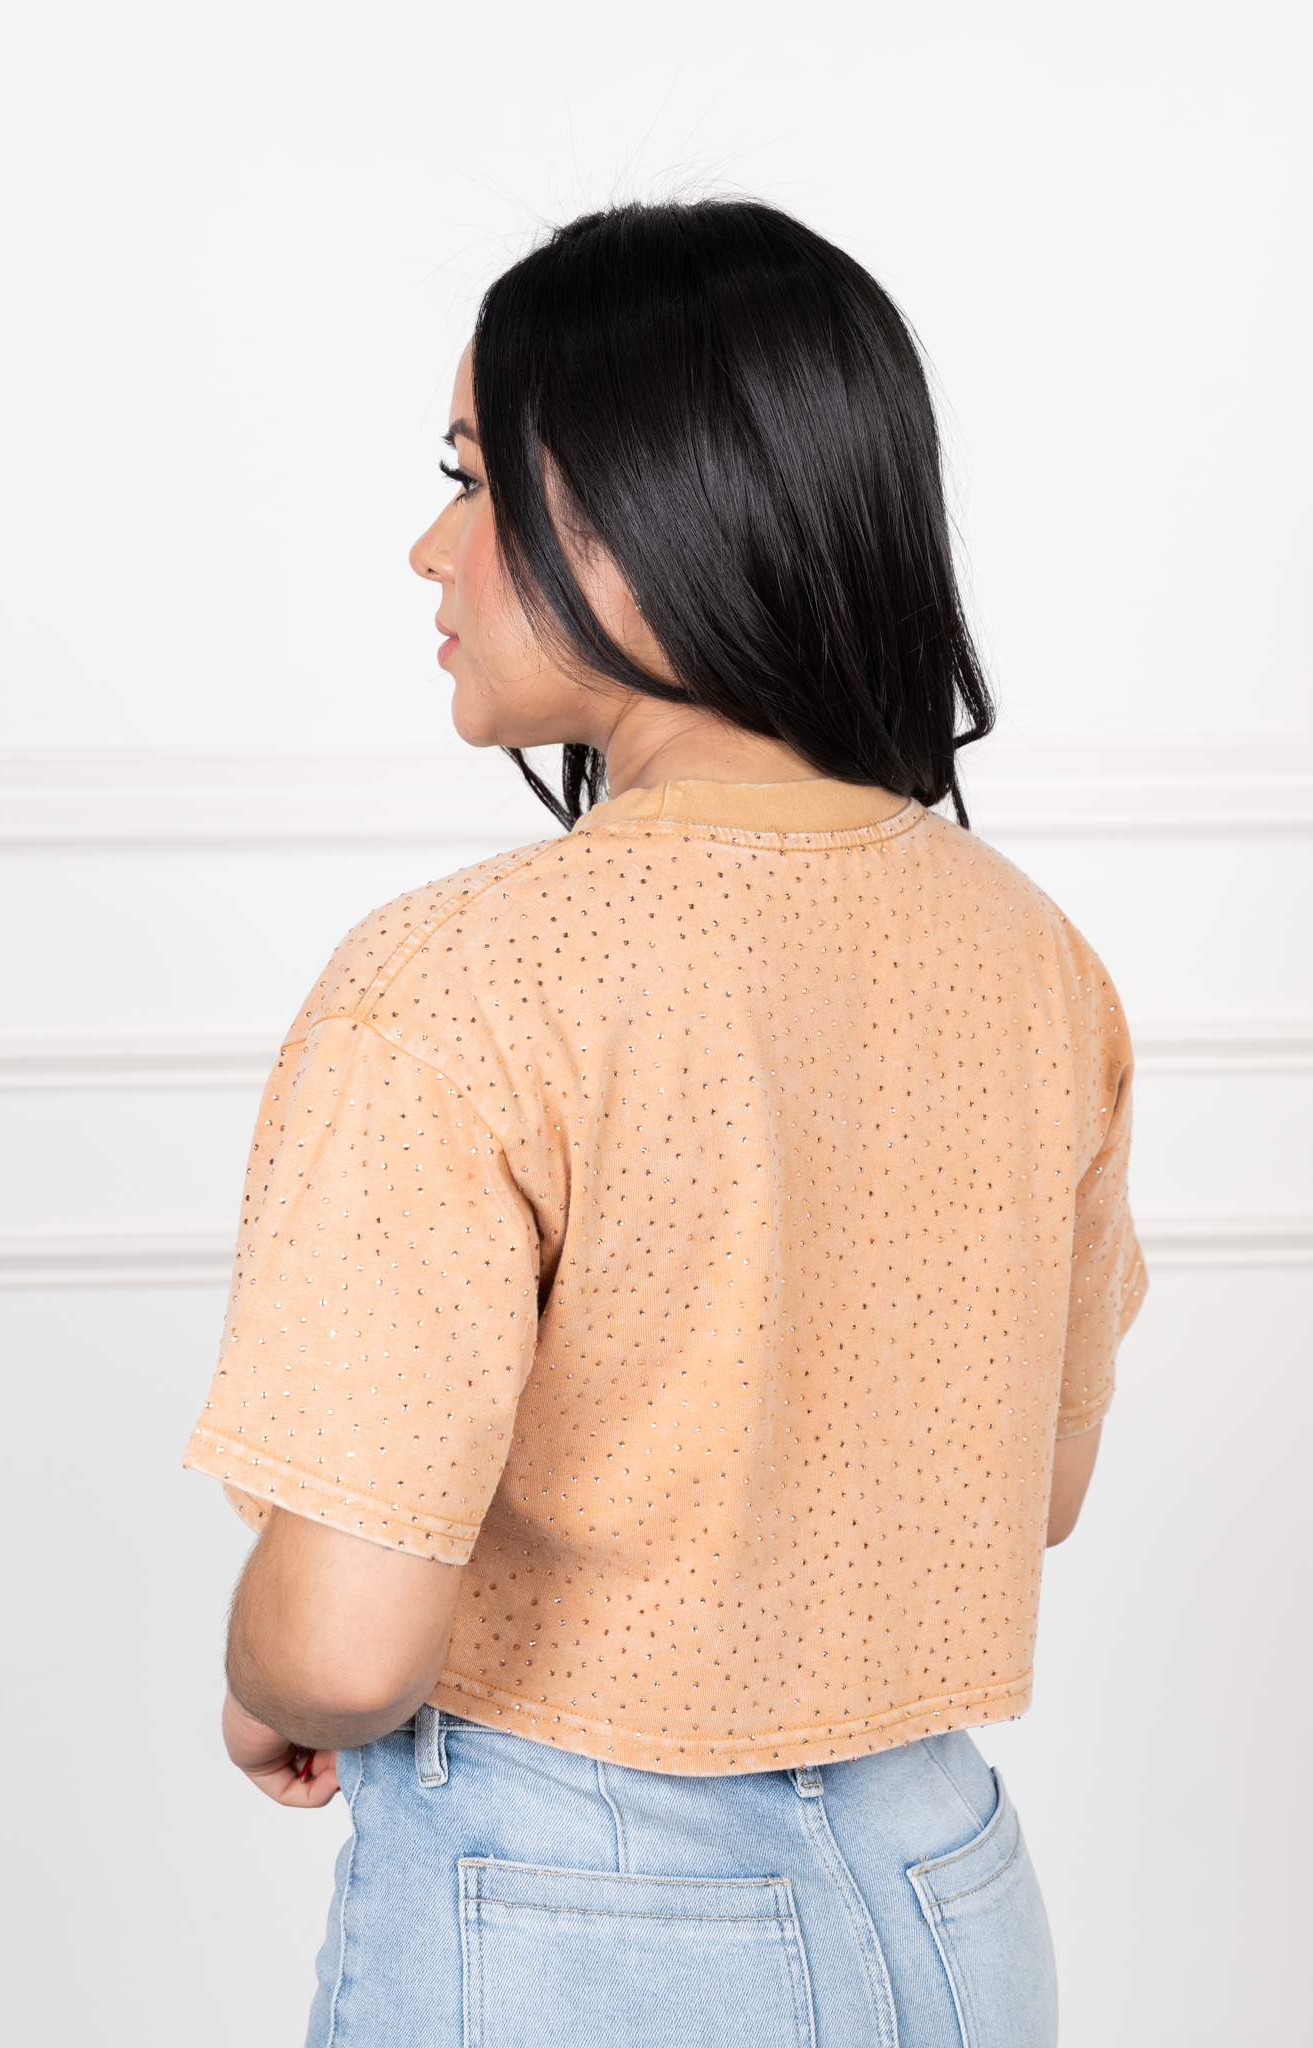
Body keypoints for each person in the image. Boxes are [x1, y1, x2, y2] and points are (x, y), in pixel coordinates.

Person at [185, 199, 1146, 2048]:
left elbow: (345, 1646)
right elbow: (1037, 1493)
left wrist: (268, 1675)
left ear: (651, 509)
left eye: (473, 479)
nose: (429, 546)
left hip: (573, 1914)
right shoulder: (1031, 953)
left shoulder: (465, 977)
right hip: (952, 1894)